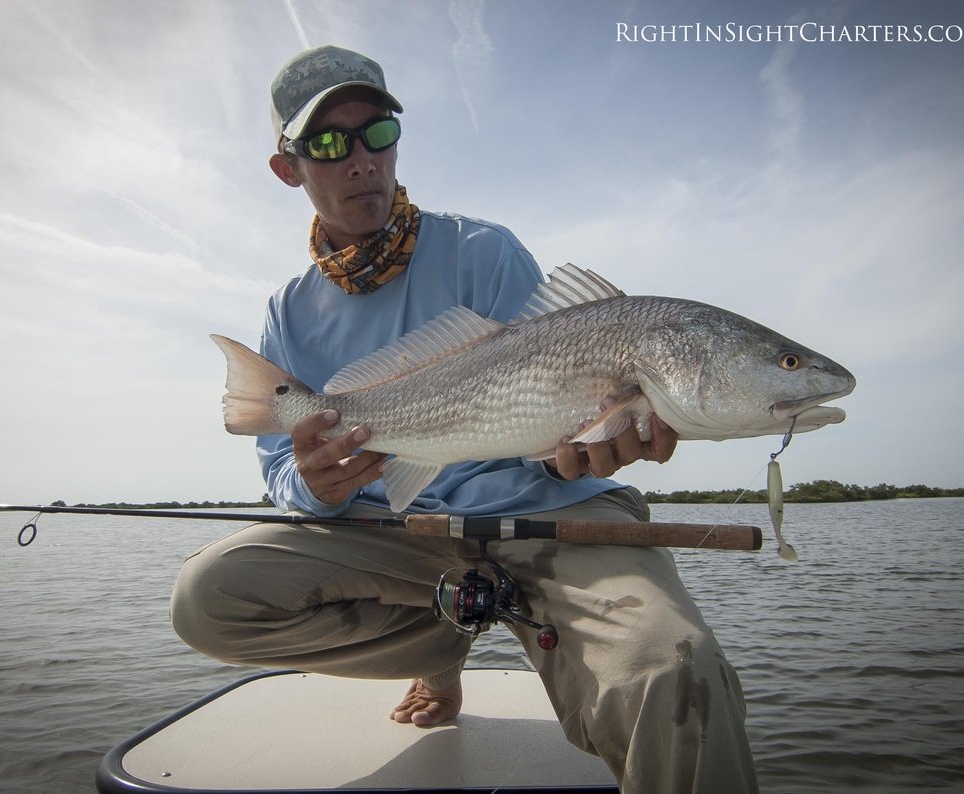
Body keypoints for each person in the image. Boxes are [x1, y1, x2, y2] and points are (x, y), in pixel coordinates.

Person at [171, 45, 758, 793]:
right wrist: (318, 485)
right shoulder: (288, 313)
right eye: (327, 142)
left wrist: (571, 453)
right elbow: (282, 469)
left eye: (376, 133)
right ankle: (440, 645)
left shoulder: (484, 251)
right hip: (403, 538)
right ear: (290, 167)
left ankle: (520, 624)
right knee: (210, 597)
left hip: (552, 519)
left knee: (676, 669)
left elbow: (550, 414)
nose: (359, 159)